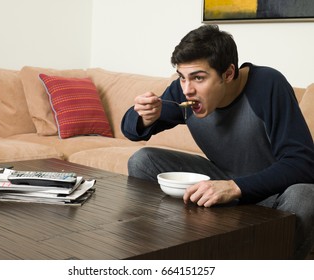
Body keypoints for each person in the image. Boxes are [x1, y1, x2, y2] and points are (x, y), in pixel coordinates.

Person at [121, 24, 314, 259]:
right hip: (220, 178)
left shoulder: (268, 84)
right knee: (143, 160)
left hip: (273, 194)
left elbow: (303, 163)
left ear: (228, 73)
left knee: (306, 196)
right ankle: (177, 248)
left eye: (199, 78)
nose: (187, 89)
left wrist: (235, 187)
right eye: (182, 77)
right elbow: (131, 131)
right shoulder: (185, 93)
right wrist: (142, 117)